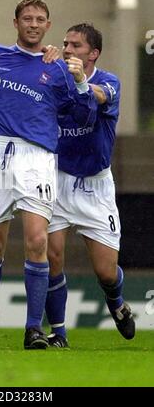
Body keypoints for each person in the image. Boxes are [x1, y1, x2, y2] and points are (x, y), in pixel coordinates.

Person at [0, 0, 98, 350]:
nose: (33, 24)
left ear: (48, 24)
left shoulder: (59, 68)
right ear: (15, 23)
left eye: (40, 19)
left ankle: (33, 329)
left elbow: (84, 118)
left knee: (37, 242)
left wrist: (82, 83)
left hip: (37, 157)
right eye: (27, 18)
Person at [45, 23, 135, 348]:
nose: (68, 50)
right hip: (57, 180)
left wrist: (82, 81)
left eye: (77, 46)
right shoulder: (54, 79)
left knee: (106, 272)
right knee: (51, 256)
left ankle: (117, 302)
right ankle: (58, 333)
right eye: (66, 44)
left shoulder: (108, 82)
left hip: (95, 186)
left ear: (93, 53)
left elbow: (100, 96)